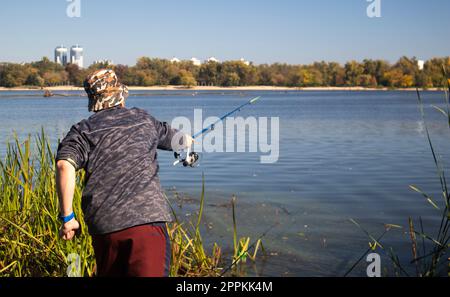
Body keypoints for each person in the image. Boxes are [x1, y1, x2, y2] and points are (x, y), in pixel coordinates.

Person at [55, 69, 192, 277]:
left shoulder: (82, 130)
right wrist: (188, 141)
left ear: (93, 99)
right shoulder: (143, 119)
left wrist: (68, 218)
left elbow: (64, 165)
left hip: (104, 228)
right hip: (146, 223)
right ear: (120, 94)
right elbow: (179, 140)